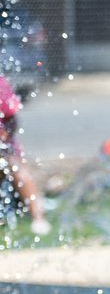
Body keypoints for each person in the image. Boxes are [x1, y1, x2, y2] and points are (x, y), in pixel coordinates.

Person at [0, 76, 49, 236]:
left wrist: (3, 138)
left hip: (4, 147)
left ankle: (38, 217)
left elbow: (11, 119)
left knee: (16, 167)